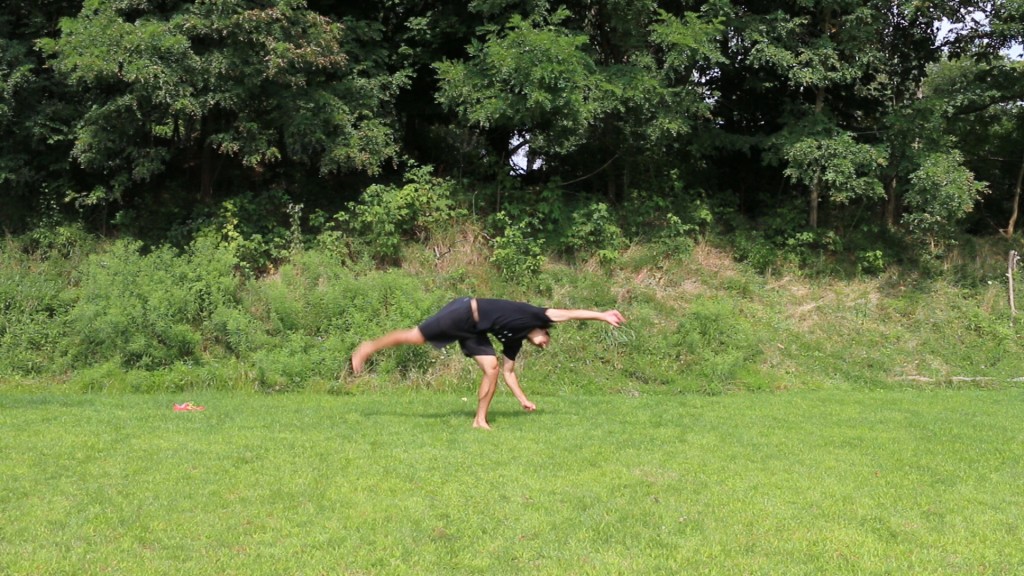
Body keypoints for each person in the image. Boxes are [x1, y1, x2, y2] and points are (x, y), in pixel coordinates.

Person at [350, 297, 626, 430]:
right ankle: (368, 348)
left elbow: (509, 373)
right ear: (544, 329)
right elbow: (570, 313)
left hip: (474, 331)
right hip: (464, 313)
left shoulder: (514, 342)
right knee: (416, 337)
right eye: (546, 339)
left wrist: (523, 400)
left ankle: (479, 420)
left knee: (493, 367)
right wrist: (602, 315)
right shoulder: (536, 315)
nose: (544, 343)